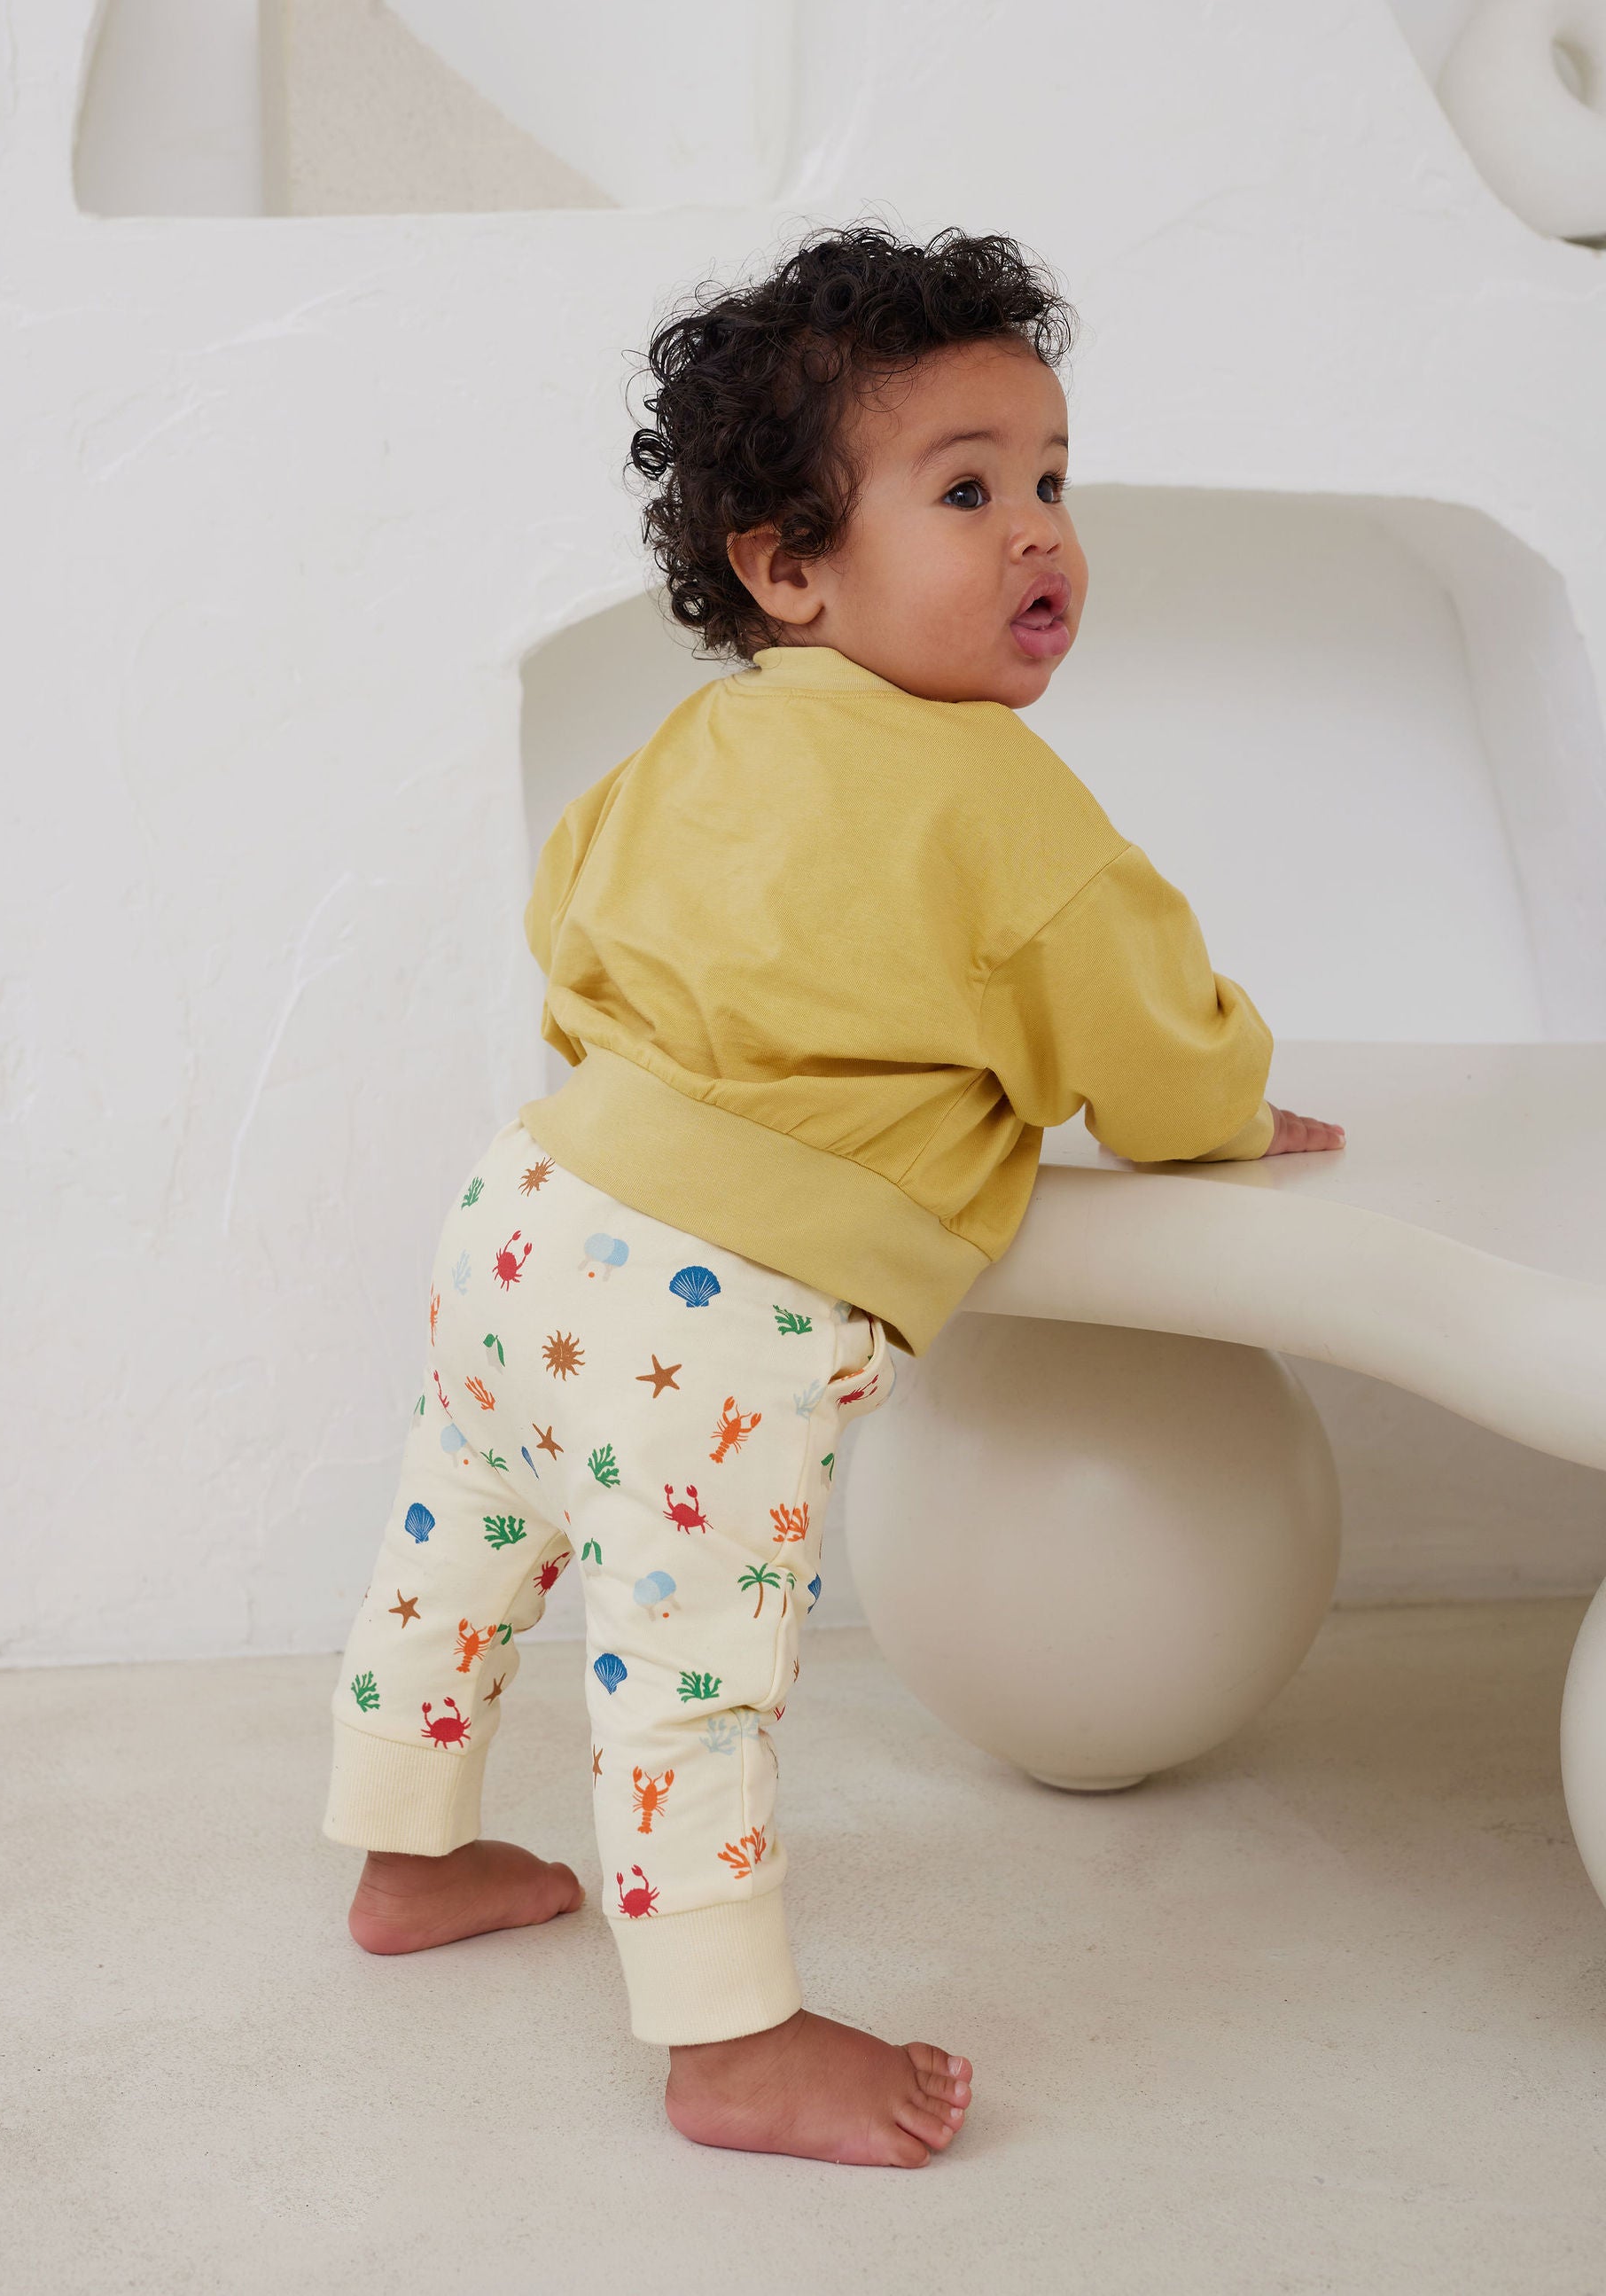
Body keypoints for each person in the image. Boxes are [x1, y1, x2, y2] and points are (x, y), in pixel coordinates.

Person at [321, 227, 1344, 2167]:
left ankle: (404, 1854)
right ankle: (726, 2042)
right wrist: (1225, 1112)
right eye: (965, 490)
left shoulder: (698, 738)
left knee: (459, 1539)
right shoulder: (1001, 802)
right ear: (787, 567)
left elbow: (563, 921)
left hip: (530, 1209)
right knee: (694, 1665)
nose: (1037, 531)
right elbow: (1143, 1034)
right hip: (715, 1297)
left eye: (1052, 479)